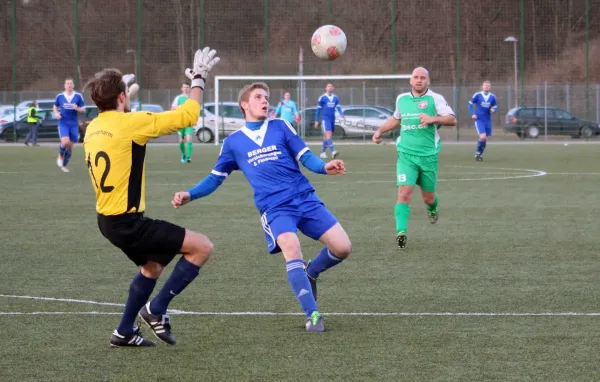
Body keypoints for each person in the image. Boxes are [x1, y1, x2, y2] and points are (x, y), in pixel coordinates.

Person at [172, 82, 352, 332]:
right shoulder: (233, 143)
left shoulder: (280, 126)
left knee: (343, 247)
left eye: (266, 97)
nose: (265, 101)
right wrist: (189, 194)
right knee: (291, 246)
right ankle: (313, 315)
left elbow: (306, 156)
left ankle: (311, 272)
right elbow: (215, 178)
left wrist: (325, 167)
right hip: (275, 208)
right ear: (244, 105)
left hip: (304, 199)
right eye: (258, 97)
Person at [83, 47, 220, 347]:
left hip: (106, 220)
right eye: (126, 94)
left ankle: (123, 332)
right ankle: (155, 311)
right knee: (201, 248)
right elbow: (189, 114)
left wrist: (119, 94)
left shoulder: (93, 128)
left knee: (153, 266)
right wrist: (199, 79)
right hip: (128, 223)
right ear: (120, 98)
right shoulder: (131, 124)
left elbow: (114, 121)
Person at [372, 67, 456, 249]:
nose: (419, 80)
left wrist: (433, 118)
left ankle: (432, 209)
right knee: (404, 194)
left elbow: (451, 119)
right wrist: (380, 130)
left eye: (422, 78)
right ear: (410, 80)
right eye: (416, 77)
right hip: (406, 155)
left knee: (428, 198)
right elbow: (396, 119)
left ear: (428, 81)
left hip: (428, 156)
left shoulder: (435, 99)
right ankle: (401, 232)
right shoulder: (402, 99)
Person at [54, 78, 85, 172]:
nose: (69, 85)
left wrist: (77, 108)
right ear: (64, 85)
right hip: (63, 123)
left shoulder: (78, 96)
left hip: (74, 124)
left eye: (71, 83)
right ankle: (60, 156)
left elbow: (83, 110)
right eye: (67, 83)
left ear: (73, 85)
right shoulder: (60, 96)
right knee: (65, 142)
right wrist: (56, 113)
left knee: (70, 146)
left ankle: (64, 166)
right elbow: (55, 107)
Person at [468, 80, 498, 161]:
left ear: (490, 87)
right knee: (482, 136)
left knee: (485, 139)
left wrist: (494, 109)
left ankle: (479, 154)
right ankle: (478, 153)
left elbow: (495, 106)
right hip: (479, 119)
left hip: (487, 120)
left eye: (488, 86)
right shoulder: (477, 95)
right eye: (485, 85)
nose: (486, 87)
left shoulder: (492, 97)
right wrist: (473, 113)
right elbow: (470, 104)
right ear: (482, 86)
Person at [314, 83, 344, 159]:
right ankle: (333, 151)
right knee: (328, 134)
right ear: (326, 88)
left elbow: (339, 107)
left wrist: (341, 114)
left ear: (333, 88)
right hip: (325, 119)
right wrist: (316, 120)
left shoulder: (335, 98)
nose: (330, 87)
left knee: (327, 136)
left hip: (332, 119)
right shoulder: (322, 98)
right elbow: (318, 110)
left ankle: (322, 152)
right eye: (328, 86)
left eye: (331, 86)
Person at [171, 83, 195, 163]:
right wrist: (179, 107)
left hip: (188, 122)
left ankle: (189, 157)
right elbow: (172, 108)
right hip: (180, 121)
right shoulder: (178, 98)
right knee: (181, 140)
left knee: (188, 138)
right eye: (184, 87)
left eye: (187, 87)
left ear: (190, 89)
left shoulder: (192, 99)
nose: (186, 88)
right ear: (182, 88)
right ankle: (183, 154)